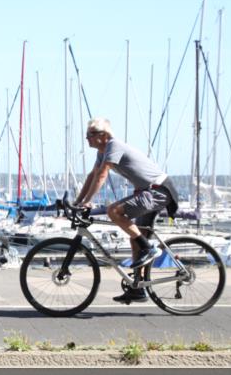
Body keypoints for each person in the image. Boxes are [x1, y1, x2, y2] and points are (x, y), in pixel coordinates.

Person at [74, 118, 179, 304]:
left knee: (114, 211)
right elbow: (92, 176)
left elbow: (102, 175)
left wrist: (88, 201)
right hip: (148, 191)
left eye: (90, 134)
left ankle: (149, 248)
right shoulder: (102, 151)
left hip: (158, 190)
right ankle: (138, 288)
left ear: (103, 135)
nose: (86, 138)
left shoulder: (114, 145)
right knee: (135, 238)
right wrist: (78, 202)